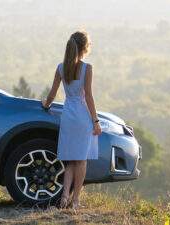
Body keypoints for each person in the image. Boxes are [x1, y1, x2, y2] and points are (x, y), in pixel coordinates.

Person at [42, 31, 102, 210]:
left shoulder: (61, 68)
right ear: (84, 47)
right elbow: (89, 97)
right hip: (82, 117)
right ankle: (75, 200)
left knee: (70, 160)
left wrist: (45, 105)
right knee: (81, 160)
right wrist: (96, 121)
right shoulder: (87, 68)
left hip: (67, 116)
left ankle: (64, 197)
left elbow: (52, 94)